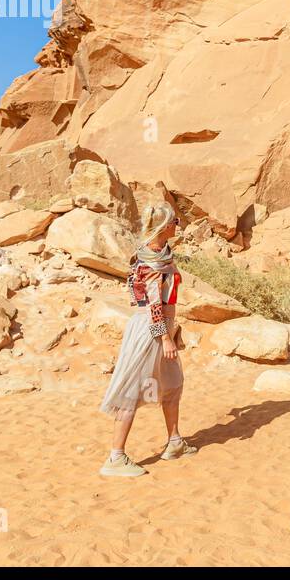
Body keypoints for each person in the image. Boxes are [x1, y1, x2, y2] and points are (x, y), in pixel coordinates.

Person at [98, 202, 197, 477]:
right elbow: (154, 304)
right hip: (151, 330)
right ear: (164, 226)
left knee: (173, 382)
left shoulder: (159, 255)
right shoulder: (150, 262)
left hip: (160, 326)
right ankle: (115, 457)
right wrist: (165, 338)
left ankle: (175, 441)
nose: (178, 225)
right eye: (175, 221)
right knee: (132, 390)